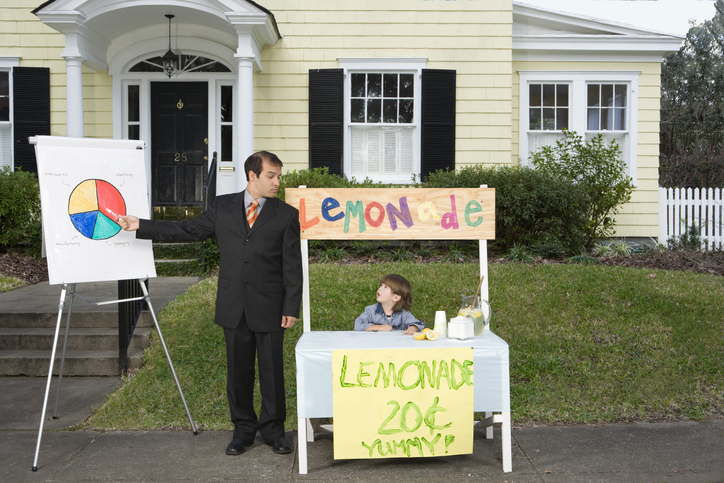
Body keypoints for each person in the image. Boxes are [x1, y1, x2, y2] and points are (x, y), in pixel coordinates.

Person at [117, 151, 302, 457]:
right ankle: (243, 430)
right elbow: (187, 230)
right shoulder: (223, 207)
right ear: (252, 176)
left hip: (271, 306)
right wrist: (142, 225)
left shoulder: (285, 214)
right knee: (238, 372)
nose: (277, 182)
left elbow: (292, 267)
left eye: (279, 176)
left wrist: (291, 306)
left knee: (272, 372)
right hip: (234, 305)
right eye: (271, 176)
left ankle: (274, 430)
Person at [354, 274, 424, 335]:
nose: (380, 289)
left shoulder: (403, 314)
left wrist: (412, 329)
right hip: (375, 346)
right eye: (381, 285)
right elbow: (358, 325)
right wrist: (379, 327)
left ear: (396, 297)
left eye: (385, 287)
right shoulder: (371, 311)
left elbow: (417, 324)